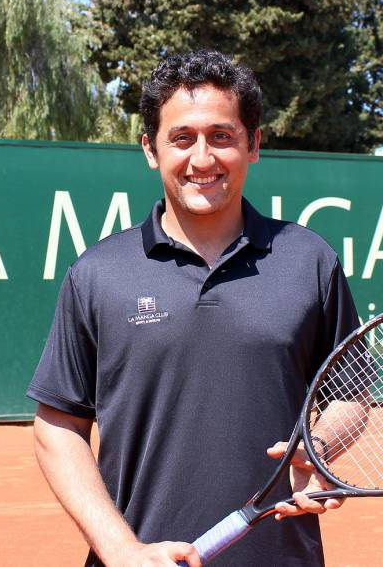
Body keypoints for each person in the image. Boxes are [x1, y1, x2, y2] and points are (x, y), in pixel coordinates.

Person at [28, 49, 359, 566]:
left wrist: (317, 446)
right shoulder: (96, 273)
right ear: (150, 149)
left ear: (253, 144)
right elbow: (58, 426)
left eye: (221, 136)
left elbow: (349, 396)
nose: (202, 159)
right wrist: (121, 549)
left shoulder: (309, 259)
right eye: (182, 138)